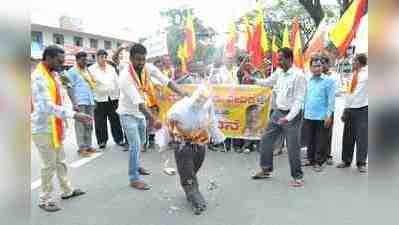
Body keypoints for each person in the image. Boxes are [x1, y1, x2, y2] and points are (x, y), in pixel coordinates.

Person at [117, 43, 187, 190]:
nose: (141, 63)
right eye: (137, 60)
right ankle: (134, 178)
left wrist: (182, 93)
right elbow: (139, 103)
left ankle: (137, 165)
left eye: (143, 59)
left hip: (141, 113)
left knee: (142, 143)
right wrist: (153, 119)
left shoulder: (148, 68)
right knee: (135, 145)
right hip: (128, 113)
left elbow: (165, 80)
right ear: (131, 58)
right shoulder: (125, 77)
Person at [31, 45, 92, 212]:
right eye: (59, 61)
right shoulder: (38, 77)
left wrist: (73, 106)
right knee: (48, 165)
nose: (61, 64)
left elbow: (63, 93)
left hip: (55, 125)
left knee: (61, 161)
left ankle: (67, 190)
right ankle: (45, 199)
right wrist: (74, 115)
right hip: (43, 128)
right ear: (48, 58)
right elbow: (46, 107)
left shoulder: (54, 74)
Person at [249, 48, 307, 187]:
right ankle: (266, 169)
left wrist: (288, 118)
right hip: (277, 113)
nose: (278, 61)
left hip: (292, 115)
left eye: (280, 59)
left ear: (289, 59)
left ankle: (297, 177)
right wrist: (254, 80)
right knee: (266, 139)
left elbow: (299, 101)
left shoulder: (299, 76)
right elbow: (268, 82)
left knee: (293, 147)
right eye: (278, 58)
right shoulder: (279, 72)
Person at [166, 85, 225, 215]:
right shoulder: (179, 109)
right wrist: (165, 142)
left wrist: (217, 135)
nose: (199, 102)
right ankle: (195, 198)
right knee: (187, 171)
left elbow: (212, 120)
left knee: (195, 167)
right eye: (197, 99)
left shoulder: (207, 105)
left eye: (202, 100)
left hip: (200, 141)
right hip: (183, 143)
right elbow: (168, 122)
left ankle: (189, 187)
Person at [302, 55, 336, 172]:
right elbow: (305, 97)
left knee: (320, 140)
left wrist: (329, 116)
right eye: (315, 66)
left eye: (320, 65)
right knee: (309, 139)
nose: (318, 68)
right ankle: (310, 159)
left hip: (322, 116)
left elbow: (331, 100)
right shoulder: (308, 80)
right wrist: (303, 111)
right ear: (310, 68)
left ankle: (318, 162)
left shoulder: (329, 81)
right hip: (309, 114)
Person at [336, 54, 368, 173]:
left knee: (362, 137)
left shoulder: (367, 74)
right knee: (348, 135)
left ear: (359, 62)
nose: (352, 63)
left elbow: (356, 94)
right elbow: (348, 94)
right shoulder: (352, 75)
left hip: (362, 109)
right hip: (350, 109)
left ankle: (361, 163)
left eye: (354, 61)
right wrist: (345, 109)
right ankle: (346, 160)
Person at [89, 49, 125, 149]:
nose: (103, 59)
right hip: (99, 98)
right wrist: (92, 98)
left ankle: (119, 139)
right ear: (97, 58)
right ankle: (102, 141)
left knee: (115, 119)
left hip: (113, 97)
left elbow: (116, 82)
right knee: (100, 121)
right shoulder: (91, 69)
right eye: (101, 57)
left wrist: (120, 95)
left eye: (105, 57)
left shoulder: (111, 68)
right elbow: (90, 84)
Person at [65, 51, 96, 157]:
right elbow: (69, 87)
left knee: (89, 124)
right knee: (80, 126)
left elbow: (91, 85)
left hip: (90, 101)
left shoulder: (87, 71)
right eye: (83, 60)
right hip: (79, 102)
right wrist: (74, 103)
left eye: (86, 60)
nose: (85, 62)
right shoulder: (71, 71)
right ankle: (81, 147)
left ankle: (88, 145)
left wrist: (94, 100)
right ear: (77, 60)